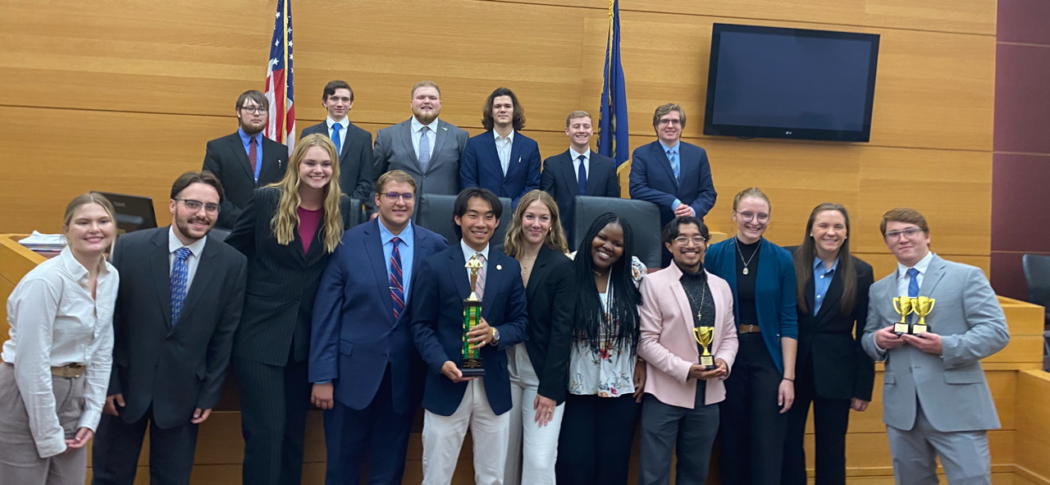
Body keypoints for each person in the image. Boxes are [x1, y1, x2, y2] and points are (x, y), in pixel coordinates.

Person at [91, 172, 248, 485]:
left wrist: (209, 393)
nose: (202, 214)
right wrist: (107, 383)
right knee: (110, 477)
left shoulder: (233, 263)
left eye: (211, 207)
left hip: (184, 395)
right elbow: (108, 320)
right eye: (192, 204)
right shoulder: (129, 248)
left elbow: (224, 335)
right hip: (123, 390)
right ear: (172, 206)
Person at [226, 133, 354, 485]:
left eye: (325, 164)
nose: (318, 170)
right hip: (259, 335)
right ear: (297, 164)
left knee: (294, 435)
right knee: (267, 432)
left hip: (307, 340)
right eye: (310, 163)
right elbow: (232, 255)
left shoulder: (342, 207)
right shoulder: (266, 199)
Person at [309, 170, 447, 484]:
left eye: (407, 196)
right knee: (341, 468)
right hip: (349, 378)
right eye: (393, 195)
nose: (400, 202)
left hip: (404, 380)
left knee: (388, 470)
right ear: (378, 199)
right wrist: (321, 376)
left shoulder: (435, 246)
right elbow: (326, 314)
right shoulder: (348, 241)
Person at [862, 208, 1009, 485]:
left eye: (910, 231)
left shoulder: (966, 276)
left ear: (927, 236)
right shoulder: (879, 290)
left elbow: (996, 332)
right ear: (886, 242)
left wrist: (946, 346)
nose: (902, 239)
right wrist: (878, 341)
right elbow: (869, 336)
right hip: (904, 412)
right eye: (893, 234)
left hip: (958, 406)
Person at [411, 187, 528, 485]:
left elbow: (521, 323)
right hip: (446, 384)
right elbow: (421, 325)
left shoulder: (509, 268)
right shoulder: (435, 265)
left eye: (489, 217)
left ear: (497, 223)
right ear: (458, 218)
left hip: (494, 388)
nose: (481, 223)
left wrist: (495, 333)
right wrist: (440, 362)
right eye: (473, 215)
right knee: (436, 475)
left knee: (492, 477)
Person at [0, 193, 118, 485]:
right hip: (25, 394)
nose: (95, 229)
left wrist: (91, 414)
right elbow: (31, 364)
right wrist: (49, 435)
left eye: (103, 221)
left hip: (73, 394)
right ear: (65, 230)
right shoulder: (46, 281)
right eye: (83, 222)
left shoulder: (110, 276)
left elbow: (102, 349)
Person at [703, 187, 798, 485]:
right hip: (726, 357)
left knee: (767, 440)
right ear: (734, 216)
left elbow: (789, 319)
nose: (754, 221)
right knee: (730, 438)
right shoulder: (715, 254)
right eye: (747, 214)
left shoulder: (781, 258)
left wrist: (788, 377)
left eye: (762, 216)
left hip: (767, 355)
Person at [637, 216, 738, 485]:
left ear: (706, 244)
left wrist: (724, 362)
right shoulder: (653, 284)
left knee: (695, 475)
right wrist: (685, 370)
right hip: (665, 394)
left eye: (698, 238)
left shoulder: (721, 287)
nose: (690, 244)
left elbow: (730, 336)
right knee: (653, 474)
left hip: (708, 397)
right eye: (682, 238)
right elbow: (645, 341)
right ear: (669, 246)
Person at [782, 203, 875, 485]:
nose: (830, 232)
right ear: (811, 230)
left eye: (838, 226)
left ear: (846, 233)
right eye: (823, 225)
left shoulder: (860, 271)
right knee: (787, 445)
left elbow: (865, 331)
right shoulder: (787, 259)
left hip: (837, 375)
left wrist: (863, 387)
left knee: (832, 450)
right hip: (790, 371)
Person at [556, 213, 647, 485]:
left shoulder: (634, 271)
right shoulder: (568, 266)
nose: (608, 246)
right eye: (602, 238)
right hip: (575, 384)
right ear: (590, 235)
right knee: (574, 463)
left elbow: (651, 322)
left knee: (613, 464)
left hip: (622, 383)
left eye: (617, 243)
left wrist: (642, 361)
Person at [501, 190, 576, 485]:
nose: (536, 223)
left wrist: (550, 388)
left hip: (541, 375)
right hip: (503, 371)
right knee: (501, 456)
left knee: (539, 459)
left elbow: (562, 332)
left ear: (552, 223)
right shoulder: (501, 258)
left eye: (543, 218)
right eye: (530, 216)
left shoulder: (562, 267)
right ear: (519, 219)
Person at [628, 103, 716, 266]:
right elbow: (637, 189)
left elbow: (708, 193)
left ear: (682, 126)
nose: (670, 126)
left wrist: (692, 210)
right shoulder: (642, 154)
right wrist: (672, 202)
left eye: (675, 121)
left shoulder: (698, 154)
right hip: (656, 232)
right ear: (656, 126)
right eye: (664, 121)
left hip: (690, 234)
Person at [203, 90, 288, 229]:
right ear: (238, 112)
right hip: (228, 229)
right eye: (250, 108)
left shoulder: (280, 151)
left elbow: (284, 190)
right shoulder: (218, 147)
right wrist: (243, 221)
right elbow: (210, 189)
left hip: (268, 229)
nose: (256, 113)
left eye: (262, 109)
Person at [374, 81, 469, 198]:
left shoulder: (459, 136)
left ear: (440, 104)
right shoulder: (387, 136)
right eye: (421, 97)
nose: (427, 101)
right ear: (411, 103)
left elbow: (465, 181)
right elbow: (374, 179)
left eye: (432, 98)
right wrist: (374, 209)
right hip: (397, 209)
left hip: (444, 211)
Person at [540, 110, 620, 242]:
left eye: (586, 126)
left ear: (592, 131)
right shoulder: (552, 165)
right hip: (561, 236)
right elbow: (546, 204)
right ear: (567, 131)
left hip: (598, 236)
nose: (581, 130)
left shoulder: (607, 165)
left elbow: (612, 204)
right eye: (576, 126)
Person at [300, 80, 376, 212]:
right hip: (313, 207)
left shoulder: (363, 137)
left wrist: (349, 204)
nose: (340, 104)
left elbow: (366, 180)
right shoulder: (308, 133)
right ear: (324, 102)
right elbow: (302, 172)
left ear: (351, 104)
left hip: (349, 210)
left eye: (345, 99)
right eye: (334, 98)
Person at [460, 87, 542, 208]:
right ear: (491, 112)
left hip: (517, 216)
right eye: (497, 106)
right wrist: (486, 207)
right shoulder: (474, 144)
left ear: (514, 111)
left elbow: (532, 185)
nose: (502, 110)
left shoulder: (530, 146)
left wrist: (513, 208)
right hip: (483, 214)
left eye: (507, 106)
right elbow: (468, 181)